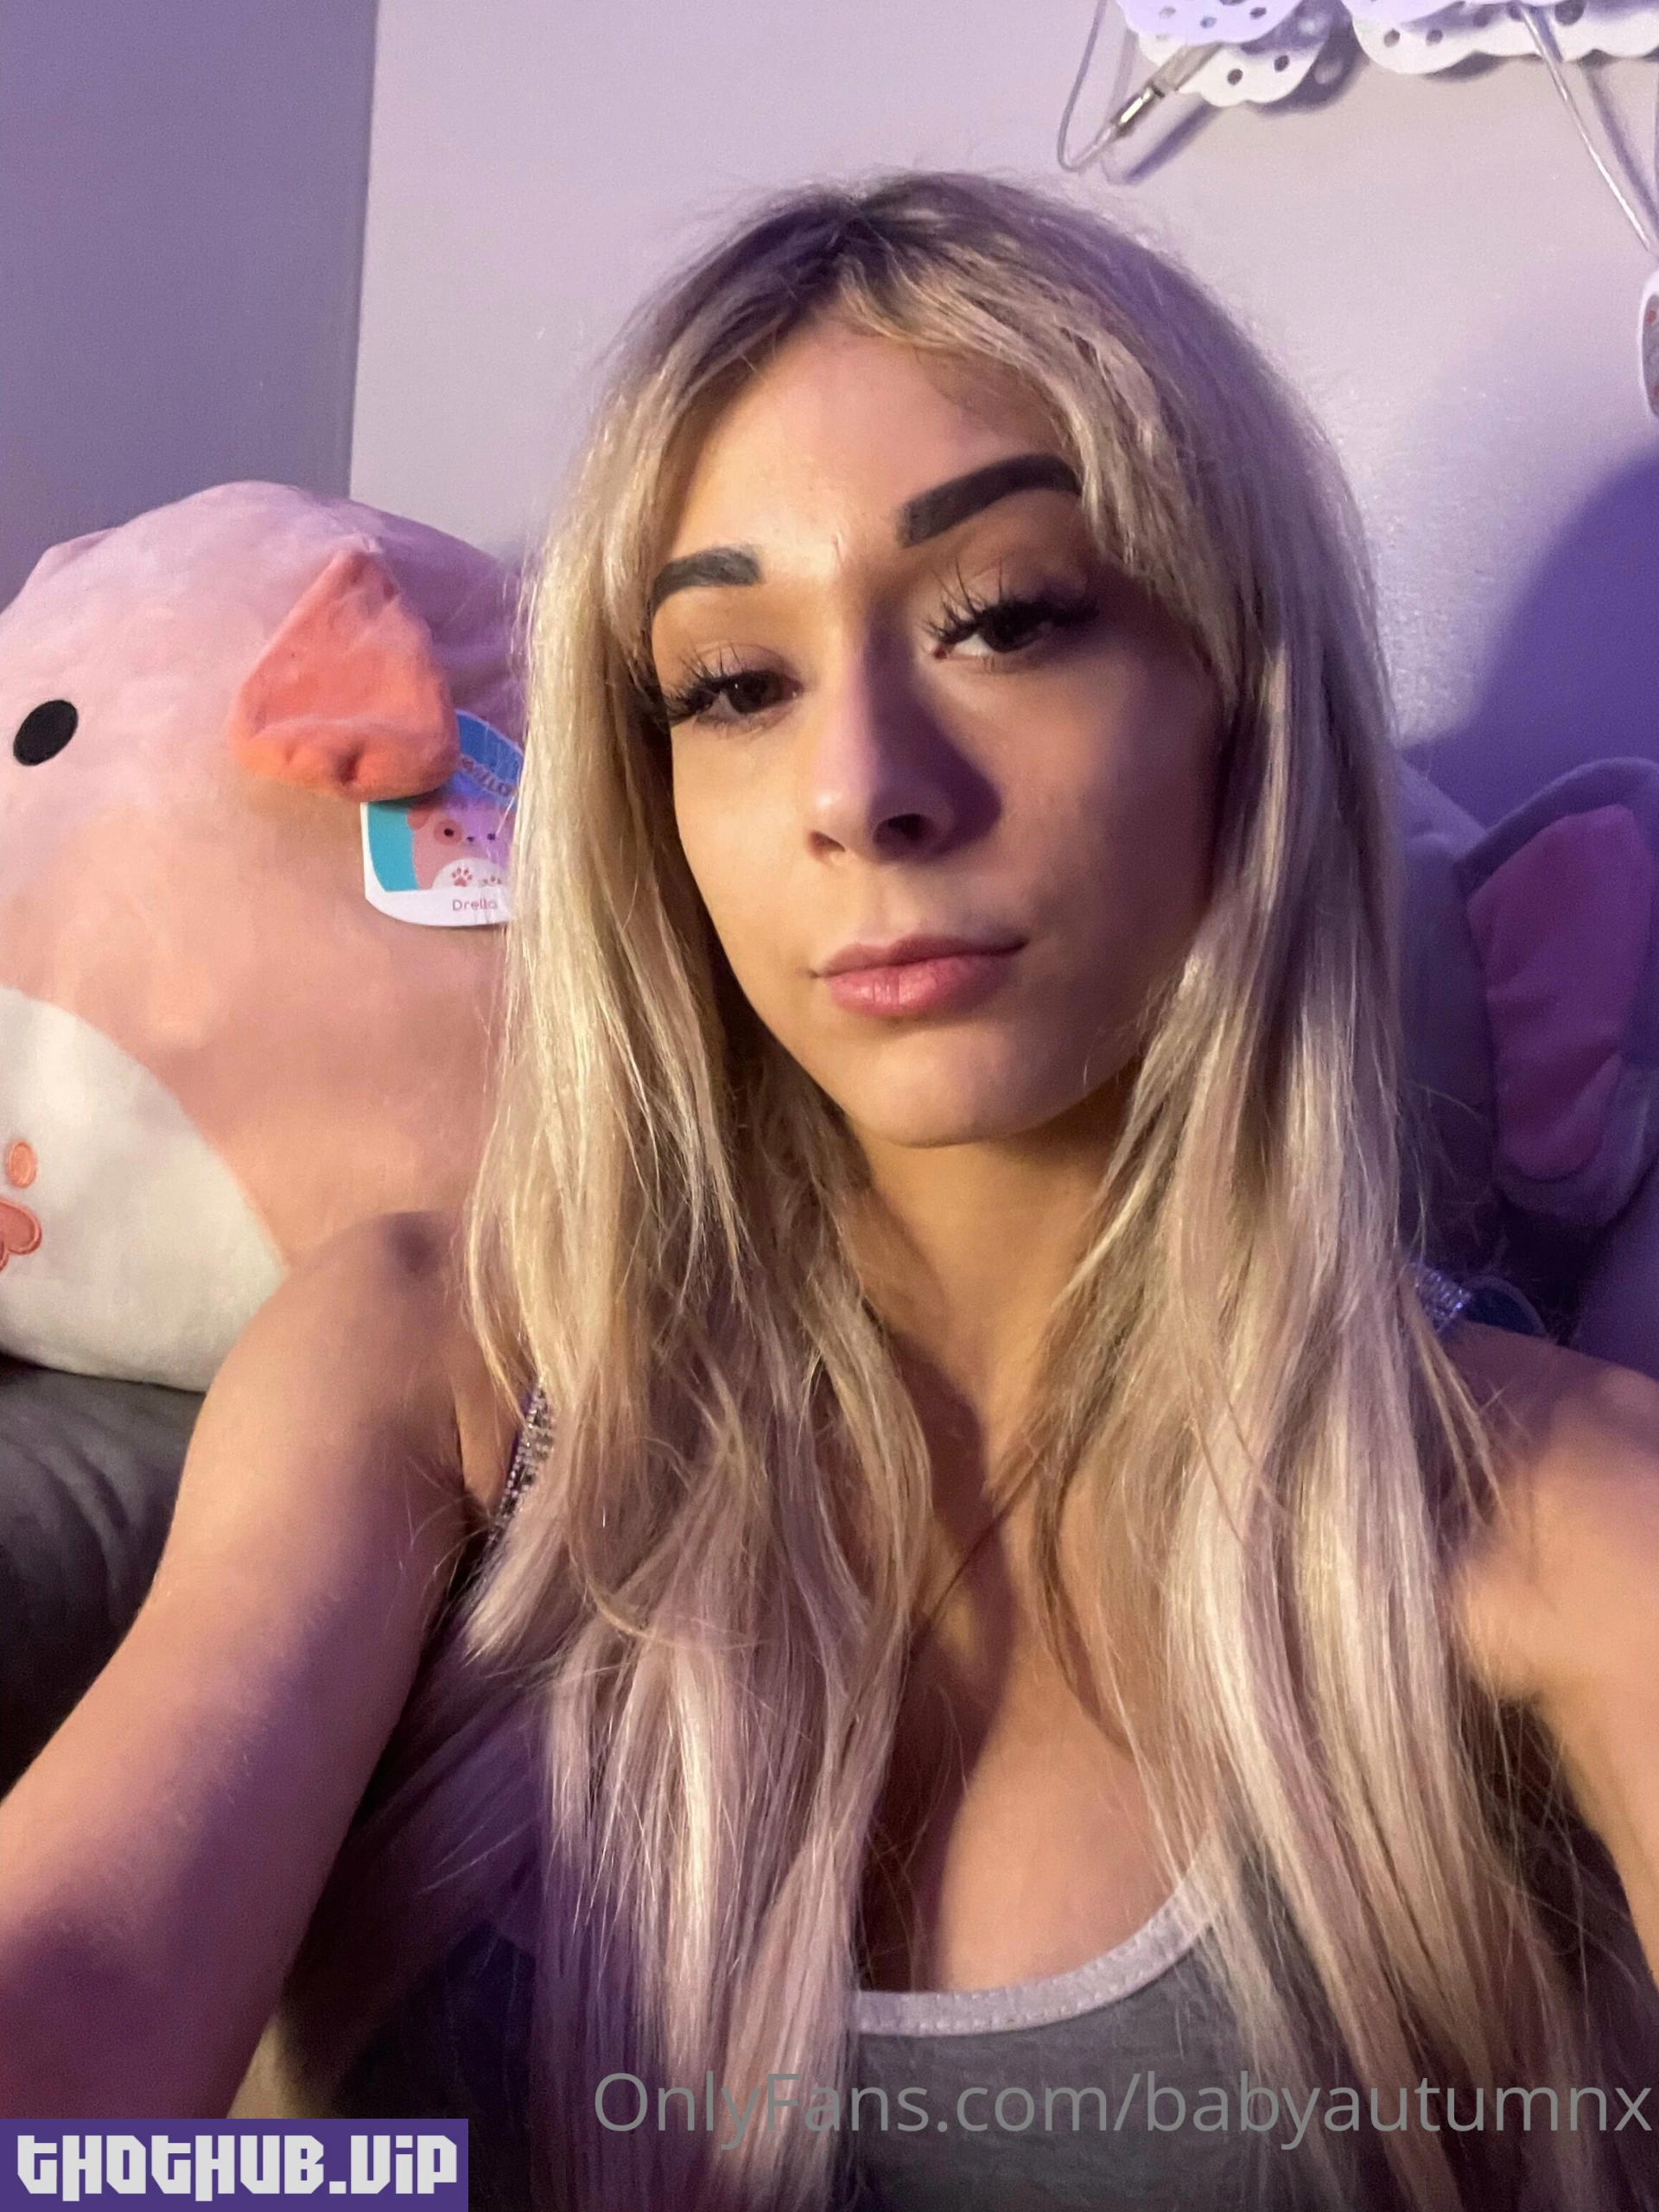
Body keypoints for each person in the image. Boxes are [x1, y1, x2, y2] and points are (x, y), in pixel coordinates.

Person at [2, 171, 1658, 2212]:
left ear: (1243, 699)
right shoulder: (425, 1366)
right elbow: (78, 1985)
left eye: (1008, 616)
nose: (860, 785)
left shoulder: (1568, 1520)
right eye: (732, 683)